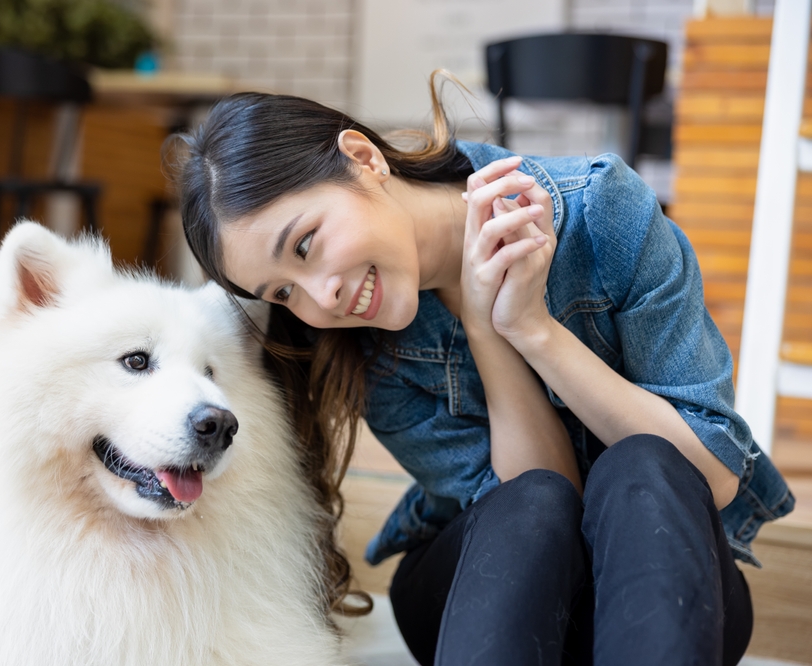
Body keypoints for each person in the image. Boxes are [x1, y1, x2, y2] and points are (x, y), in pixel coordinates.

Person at [167, 78, 795, 665]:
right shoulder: (359, 351)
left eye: (304, 245)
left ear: (363, 158)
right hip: (482, 588)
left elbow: (710, 475)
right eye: (281, 293)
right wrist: (484, 324)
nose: (319, 299)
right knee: (531, 501)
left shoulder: (600, 214)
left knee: (645, 463)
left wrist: (534, 329)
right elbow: (538, 507)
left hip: (664, 583)